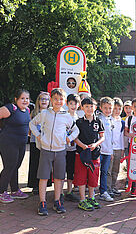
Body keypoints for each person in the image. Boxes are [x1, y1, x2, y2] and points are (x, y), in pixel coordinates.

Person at [30, 88, 80, 216]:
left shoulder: (67, 116)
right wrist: (39, 136)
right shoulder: (45, 113)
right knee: (44, 177)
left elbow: (76, 130)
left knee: (59, 178)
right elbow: (32, 124)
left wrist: (68, 139)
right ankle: (42, 202)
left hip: (60, 151)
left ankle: (58, 201)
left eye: (61, 99)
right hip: (46, 150)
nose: (58, 101)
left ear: (64, 101)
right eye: (55, 99)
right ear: (51, 100)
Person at [0, 89, 31, 203]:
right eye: (22, 98)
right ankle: (2, 193)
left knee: (16, 166)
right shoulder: (11, 108)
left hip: (21, 143)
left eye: (27, 98)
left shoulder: (27, 110)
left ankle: (14, 190)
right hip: (8, 142)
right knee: (9, 166)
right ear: (16, 99)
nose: (25, 100)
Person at [73, 97, 105, 211]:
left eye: (91, 106)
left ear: (95, 107)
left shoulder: (98, 121)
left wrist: (95, 144)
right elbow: (74, 138)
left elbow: (102, 137)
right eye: (86, 106)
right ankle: (82, 200)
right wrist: (82, 146)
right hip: (81, 154)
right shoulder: (79, 122)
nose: (89, 108)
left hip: (94, 154)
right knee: (81, 177)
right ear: (82, 108)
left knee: (93, 177)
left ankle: (91, 197)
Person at [27, 92, 51, 195]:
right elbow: (29, 127)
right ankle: (35, 185)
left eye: (46, 99)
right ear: (38, 101)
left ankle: (46, 184)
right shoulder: (34, 113)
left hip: (47, 143)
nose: (44, 101)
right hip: (35, 141)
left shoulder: (51, 113)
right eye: (42, 99)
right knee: (35, 163)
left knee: (46, 164)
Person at [64, 94, 81, 202]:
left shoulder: (78, 118)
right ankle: (60, 192)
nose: (73, 106)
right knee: (61, 170)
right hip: (62, 147)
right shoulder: (64, 115)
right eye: (71, 103)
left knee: (71, 169)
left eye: (75, 104)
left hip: (73, 148)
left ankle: (69, 191)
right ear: (67, 104)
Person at [97, 97, 115, 202]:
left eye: (110, 108)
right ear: (101, 108)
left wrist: (111, 151)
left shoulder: (111, 119)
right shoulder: (98, 118)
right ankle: (91, 190)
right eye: (105, 108)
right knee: (95, 171)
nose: (108, 110)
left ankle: (103, 191)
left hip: (108, 151)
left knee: (104, 172)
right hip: (99, 150)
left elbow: (111, 137)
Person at [107, 97, 125, 197]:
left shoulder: (122, 122)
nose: (117, 111)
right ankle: (107, 188)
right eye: (115, 108)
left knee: (116, 169)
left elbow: (121, 136)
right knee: (108, 170)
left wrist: (122, 149)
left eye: (119, 109)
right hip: (110, 149)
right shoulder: (109, 120)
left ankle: (113, 187)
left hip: (118, 148)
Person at [122, 100, 132, 188]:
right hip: (126, 145)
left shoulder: (135, 119)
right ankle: (128, 180)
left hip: (135, 144)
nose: (128, 110)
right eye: (126, 108)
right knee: (128, 163)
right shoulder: (122, 120)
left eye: (129, 107)